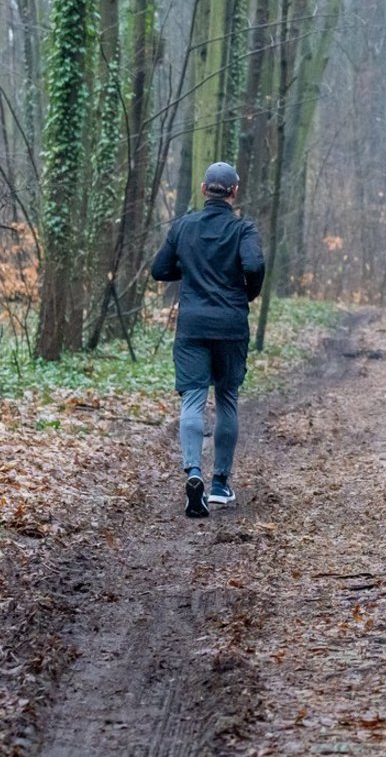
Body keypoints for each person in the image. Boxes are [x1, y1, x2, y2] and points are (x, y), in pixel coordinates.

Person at [151, 161, 265, 518]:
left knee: (193, 400)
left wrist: (189, 270)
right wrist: (246, 294)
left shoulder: (184, 226)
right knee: (227, 398)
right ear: (234, 192)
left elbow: (159, 270)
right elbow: (255, 266)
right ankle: (219, 484)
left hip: (193, 325)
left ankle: (193, 473)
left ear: (204, 190)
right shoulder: (243, 229)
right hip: (231, 324)